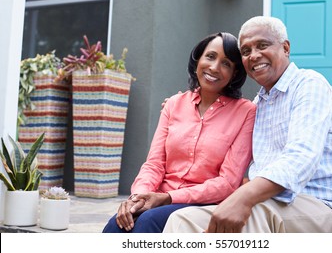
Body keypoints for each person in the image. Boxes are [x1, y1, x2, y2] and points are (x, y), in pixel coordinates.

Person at [163, 16, 332, 233]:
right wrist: (185, 109)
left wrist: (243, 198)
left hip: (320, 205)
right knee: (182, 220)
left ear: (285, 48)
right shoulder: (258, 104)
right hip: (268, 202)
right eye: (246, 51)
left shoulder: (309, 85)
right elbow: (219, 136)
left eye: (262, 45)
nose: (254, 55)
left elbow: (300, 156)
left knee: (243, 219)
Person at [102, 32, 256, 233]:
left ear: (235, 73)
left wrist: (169, 198)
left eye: (226, 63)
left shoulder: (246, 112)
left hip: (204, 202)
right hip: (160, 195)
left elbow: (227, 182)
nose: (214, 67)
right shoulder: (174, 104)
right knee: (118, 223)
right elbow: (155, 163)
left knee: (149, 221)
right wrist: (138, 197)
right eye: (210, 56)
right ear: (198, 58)